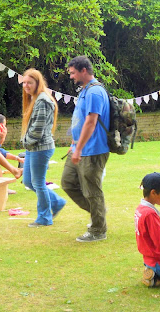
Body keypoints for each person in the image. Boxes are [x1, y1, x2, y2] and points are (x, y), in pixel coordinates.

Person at [61, 55, 110, 242]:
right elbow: (81, 121)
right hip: (80, 148)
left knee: (92, 190)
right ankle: (98, 211)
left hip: (93, 150)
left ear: (83, 71)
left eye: (73, 73)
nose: (71, 76)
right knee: (67, 182)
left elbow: (91, 122)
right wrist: (75, 144)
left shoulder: (95, 92)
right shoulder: (84, 90)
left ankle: (98, 230)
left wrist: (79, 148)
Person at [20, 68, 67, 227]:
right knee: (29, 181)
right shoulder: (35, 98)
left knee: (38, 183)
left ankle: (44, 217)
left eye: (30, 82)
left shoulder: (43, 100)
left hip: (41, 148)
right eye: (24, 82)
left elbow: (37, 130)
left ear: (37, 83)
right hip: (33, 148)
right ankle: (57, 202)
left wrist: (25, 142)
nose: (26, 85)